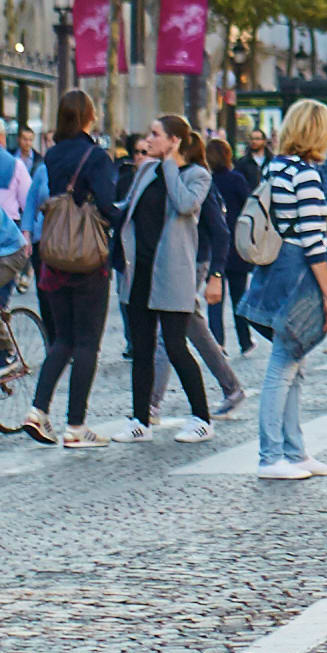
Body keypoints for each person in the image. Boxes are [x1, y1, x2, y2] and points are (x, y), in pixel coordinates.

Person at [242, 101, 327, 481]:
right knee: (284, 366)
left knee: (293, 363)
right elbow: (313, 240)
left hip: (275, 266)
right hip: (296, 270)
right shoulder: (306, 175)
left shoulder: (276, 166)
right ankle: (272, 454)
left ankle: (293, 450)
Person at [114, 120, 223, 441]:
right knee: (142, 349)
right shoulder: (146, 171)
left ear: (175, 141)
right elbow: (127, 209)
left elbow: (184, 204)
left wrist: (171, 163)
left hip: (173, 273)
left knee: (176, 345)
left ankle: (201, 418)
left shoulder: (197, 175)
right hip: (140, 272)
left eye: (155, 135)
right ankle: (140, 420)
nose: (148, 140)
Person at [25, 90, 120, 442]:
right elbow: (108, 205)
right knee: (86, 343)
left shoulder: (51, 156)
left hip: (54, 255)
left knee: (62, 339)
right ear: (87, 117)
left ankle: (37, 409)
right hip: (87, 257)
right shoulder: (96, 156)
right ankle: (76, 426)